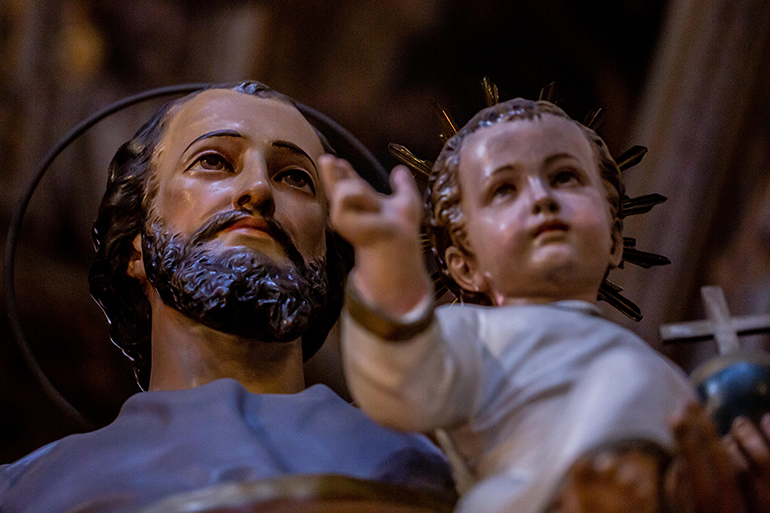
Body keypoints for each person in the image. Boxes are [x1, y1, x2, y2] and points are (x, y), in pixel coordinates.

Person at [0, 82, 453, 512]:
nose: (257, 190)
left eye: (295, 178)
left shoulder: (419, 463)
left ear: (326, 252)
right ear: (136, 244)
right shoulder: (30, 490)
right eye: (214, 162)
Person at [319, 97, 697, 513]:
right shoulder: (476, 333)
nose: (542, 198)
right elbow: (404, 386)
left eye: (565, 177)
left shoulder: (655, 368)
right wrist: (388, 259)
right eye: (504, 189)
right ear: (465, 266)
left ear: (615, 237)